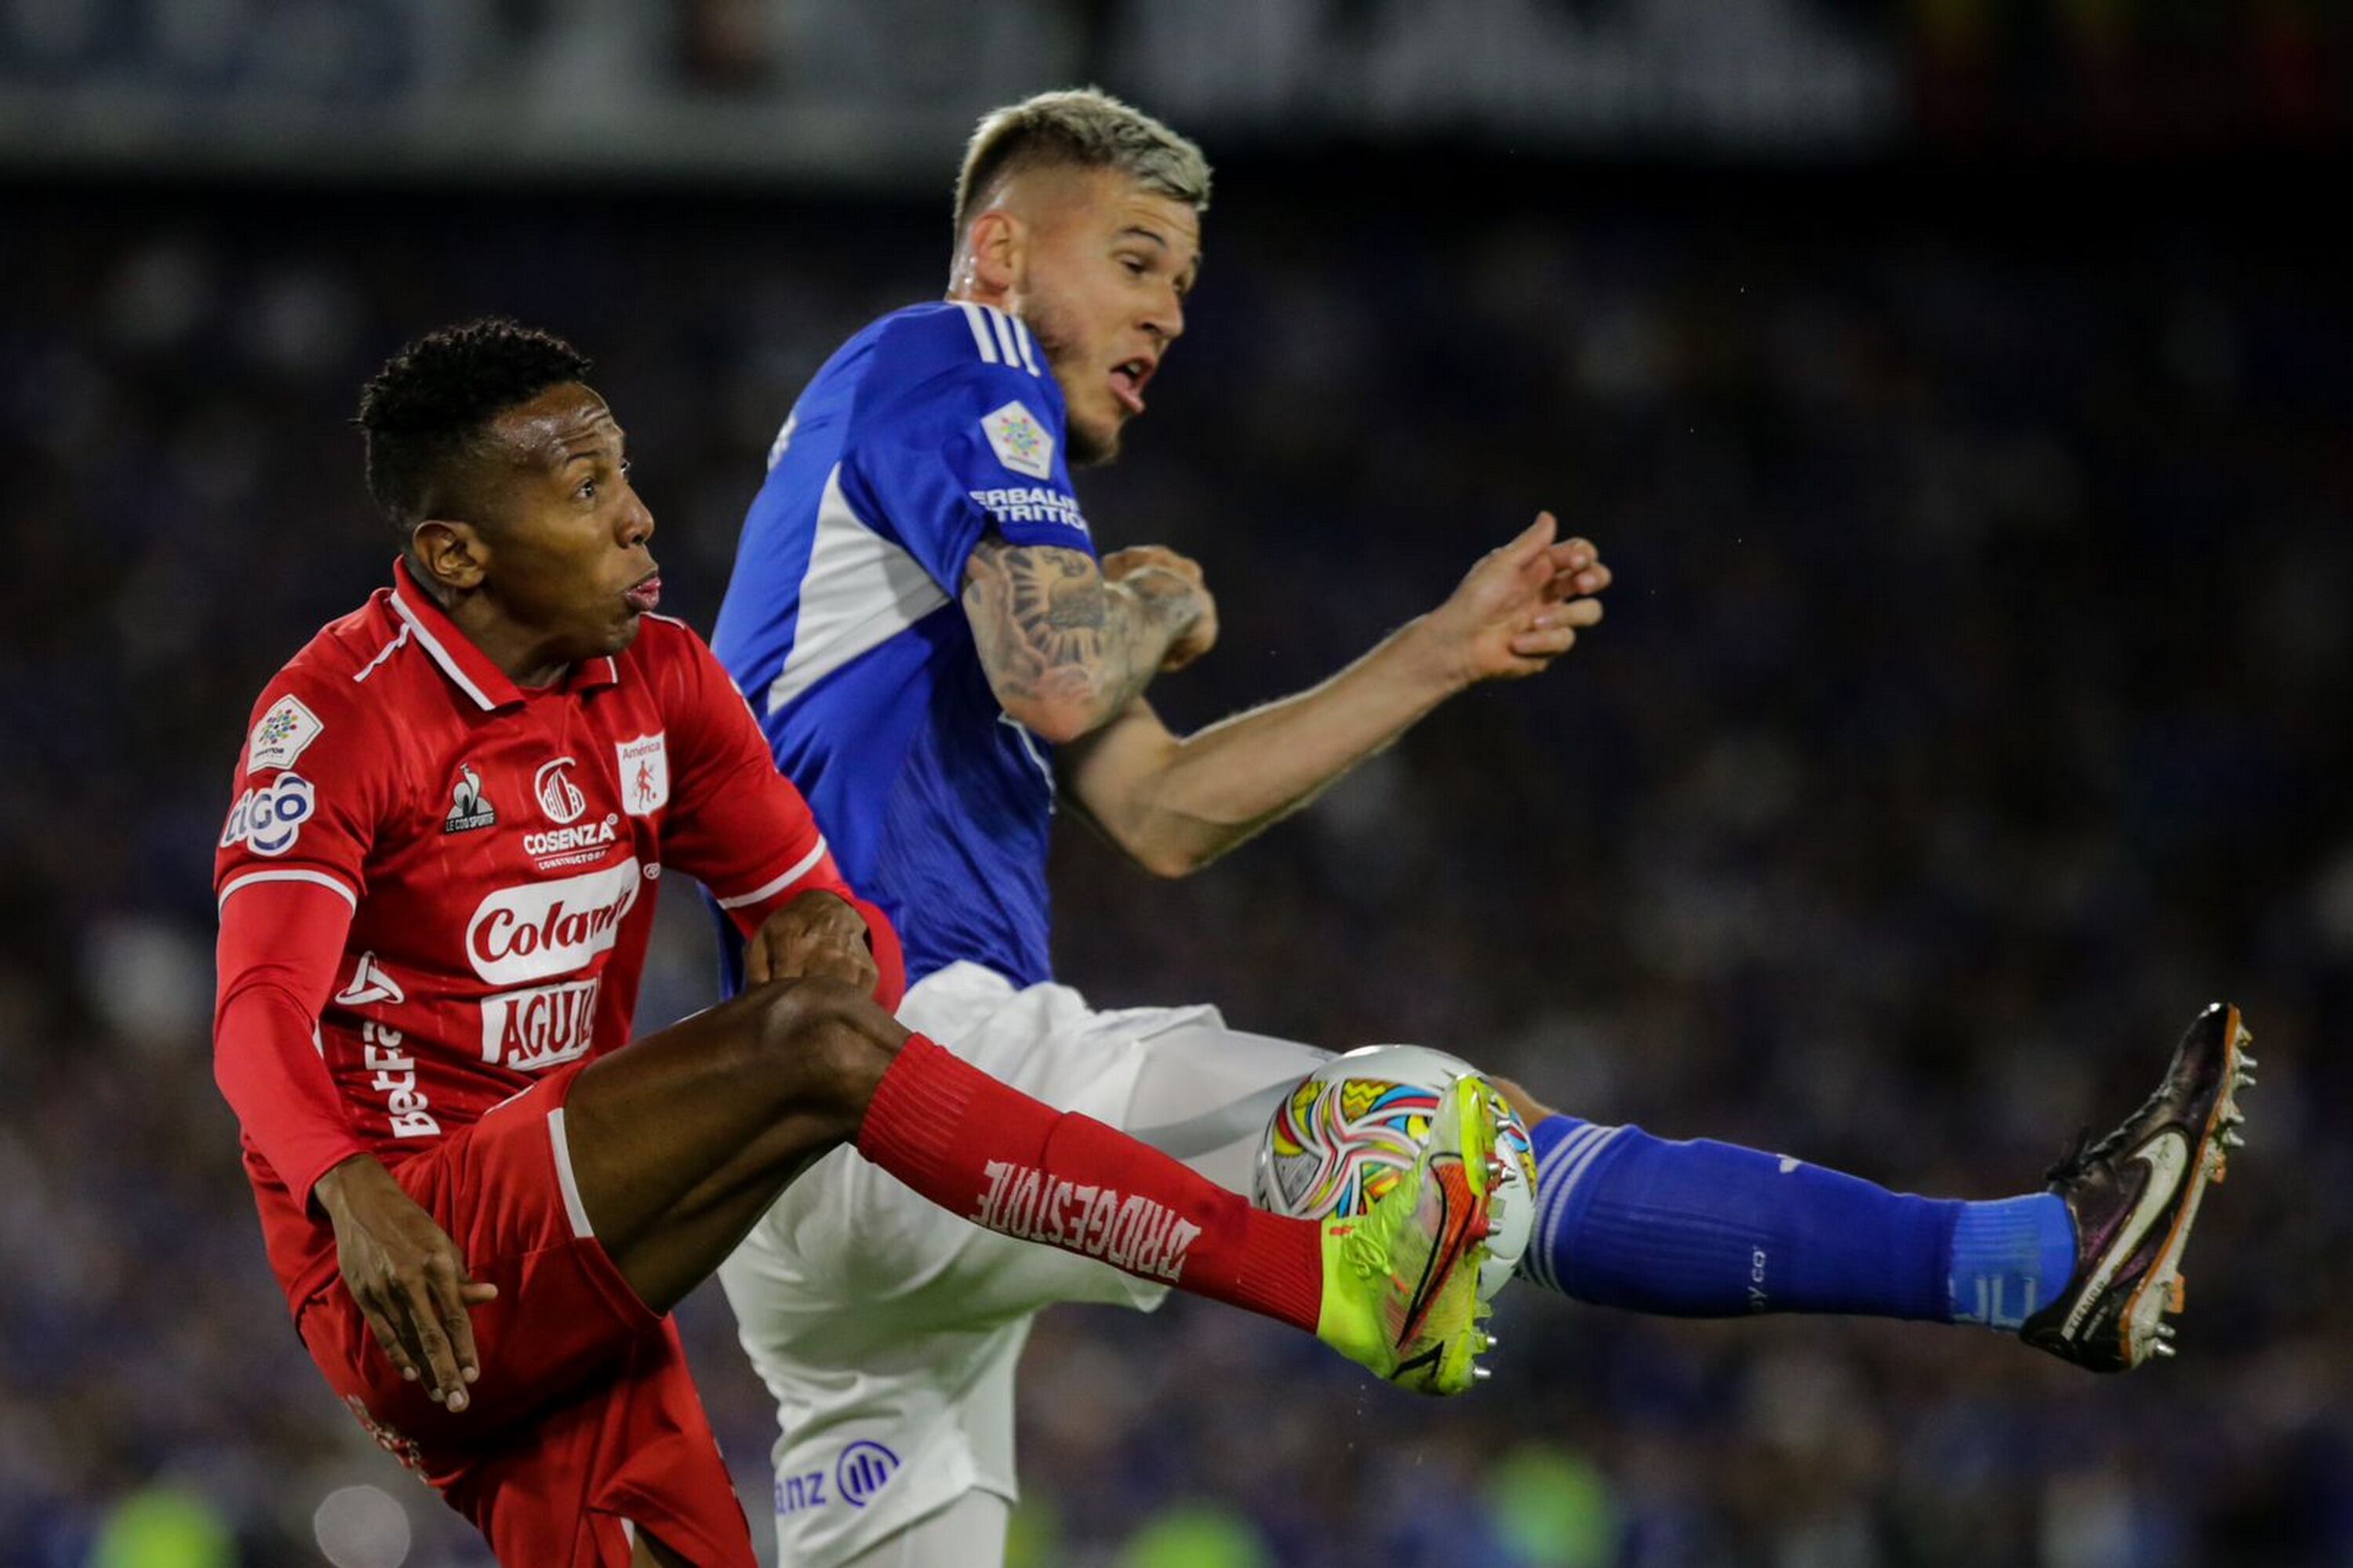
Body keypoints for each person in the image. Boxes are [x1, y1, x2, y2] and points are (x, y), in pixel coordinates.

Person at [708, 89, 2256, 1568]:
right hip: (919, 1069)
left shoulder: (922, 498)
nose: (1169, 313)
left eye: (1182, 279)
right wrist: (1159, 598)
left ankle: (2029, 1262)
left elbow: (1165, 810)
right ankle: (2024, 1259)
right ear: (997, 250)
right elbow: (1057, 676)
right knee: (1446, 1143)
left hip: (803, 1176)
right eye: (1130, 260)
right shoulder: (949, 357)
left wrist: (1437, 650)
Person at [210, 318, 1509, 1568]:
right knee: (815, 1050)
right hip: (405, 1257)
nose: (636, 515)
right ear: (457, 555)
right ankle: (1319, 1276)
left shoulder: (660, 679)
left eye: (625, 472)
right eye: (584, 488)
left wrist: (832, 927)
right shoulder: (340, 719)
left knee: (836, 1038)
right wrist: (351, 1190)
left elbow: (823, 916)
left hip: (575, 1261)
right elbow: (257, 1010)